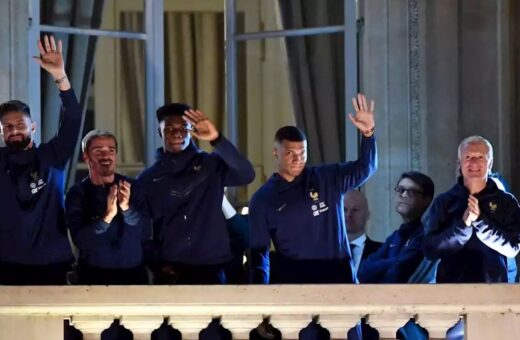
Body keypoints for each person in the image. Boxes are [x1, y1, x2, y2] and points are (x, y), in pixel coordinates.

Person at [249, 94, 377, 284]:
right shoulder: (264, 198)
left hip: (338, 274)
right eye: (290, 153)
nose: (297, 159)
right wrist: (261, 295)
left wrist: (368, 134)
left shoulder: (327, 178)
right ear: (276, 152)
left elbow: (366, 167)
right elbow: (259, 253)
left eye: (302, 153)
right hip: (294, 279)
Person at [137, 104, 255, 284]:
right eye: (169, 129)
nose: (177, 134)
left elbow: (246, 174)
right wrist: (157, 264)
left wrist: (216, 139)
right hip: (171, 268)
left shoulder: (211, 165)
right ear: (160, 132)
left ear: (192, 130)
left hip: (214, 265)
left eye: (184, 128)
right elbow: (141, 231)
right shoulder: (148, 179)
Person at [0, 35, 79, 284]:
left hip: (51, 262)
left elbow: (73, 119)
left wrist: (60, 77)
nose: (13, 130)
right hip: (5, 263)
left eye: (20, 125)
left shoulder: (52, 155)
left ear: (32, 126)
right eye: (7, 126)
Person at [423, 136, 520, 283]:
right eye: (468, 157)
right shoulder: (444, 202)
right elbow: (430, 249)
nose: (473, 162)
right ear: (459, 164)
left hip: (493, 291)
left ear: (490, 163)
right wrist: (463, 226)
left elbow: (512, 248)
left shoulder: (507, 202)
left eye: (480, 157)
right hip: (451, 291)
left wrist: (481, 222)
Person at [65, 130, 151, 284]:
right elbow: (82, 240)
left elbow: (144, 232)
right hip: (93, 278)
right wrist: (107, 216)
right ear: (86, 157)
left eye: (110, 150)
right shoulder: (77, 193)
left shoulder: (133, 187)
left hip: (133, 276)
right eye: (98, 151)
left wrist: (126, 209)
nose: (105, 156)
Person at [358, 171, 434, 283]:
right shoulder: (395, 236)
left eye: (411, 191)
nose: (403, 195)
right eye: (401, 190)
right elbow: (362, 271)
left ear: (426, 200)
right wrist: (395, 261)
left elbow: (396, 277)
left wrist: (386, 264)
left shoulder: (426, 236)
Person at [344, 190, 382, 274]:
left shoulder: (382, 252)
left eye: (355, 210)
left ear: (367, 215)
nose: (348, 214)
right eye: (344, 209)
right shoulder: (325, 252)